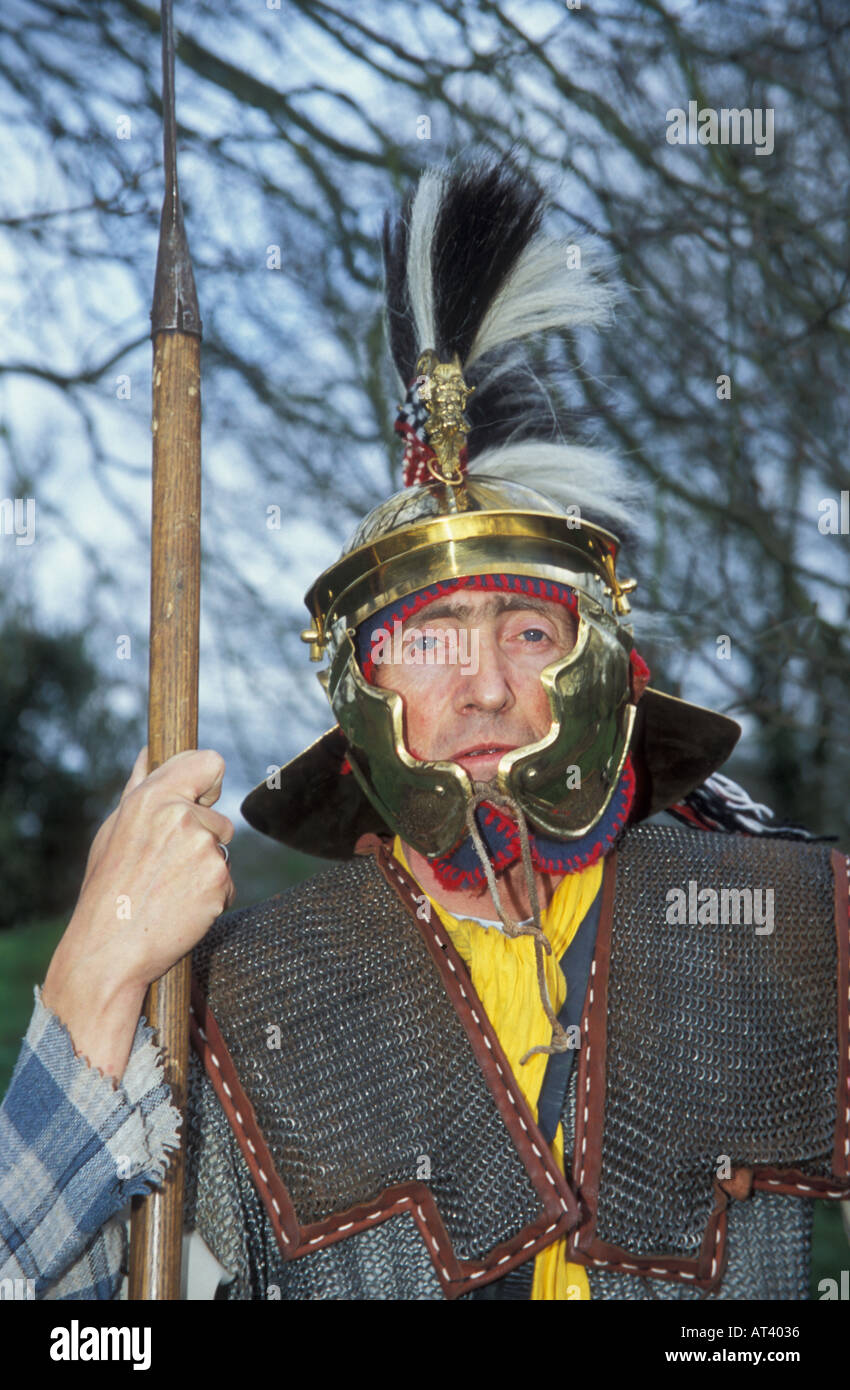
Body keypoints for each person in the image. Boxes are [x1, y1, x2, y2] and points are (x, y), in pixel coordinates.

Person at [2, 158, 848, 1302]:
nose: (485, 686)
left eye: (529, 633)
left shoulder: (788, 923)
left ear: (606, 665)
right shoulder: (235, 1005)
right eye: (433, 636)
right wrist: (92, 982)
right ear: (361, 690)